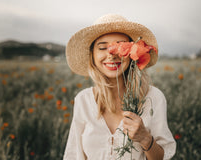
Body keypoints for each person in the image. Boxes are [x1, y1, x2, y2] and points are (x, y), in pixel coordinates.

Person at [63, 14, 176, 160]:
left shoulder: (153, 98)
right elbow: (74, 154)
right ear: (92, 55)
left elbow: (162, 157)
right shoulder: (83, 100)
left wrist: (144, 138)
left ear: (132, 53)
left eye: (121, 46)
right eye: (103, 47)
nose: (111, 54)